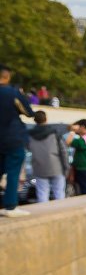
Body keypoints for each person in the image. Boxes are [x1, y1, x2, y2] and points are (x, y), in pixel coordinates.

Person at [1, 63, 37, 217]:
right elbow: (29, 113)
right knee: (13, 171)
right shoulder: (12, 92)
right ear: (7, 76)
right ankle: (10, 206)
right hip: (13, 137)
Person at [26, 111, 69, 203]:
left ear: (35, 120)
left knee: (42, 194)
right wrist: (66, 166)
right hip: (56, 167)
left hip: (39, 167)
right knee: (59, 193)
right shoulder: (54, 133)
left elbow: (28, 149)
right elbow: (63, 151)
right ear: (46, 119)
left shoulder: (29, 135)